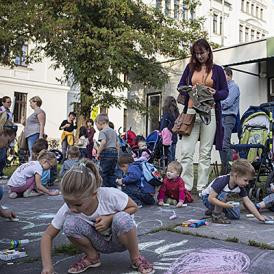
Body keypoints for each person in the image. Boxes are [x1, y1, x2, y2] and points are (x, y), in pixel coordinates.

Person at [40, 159, 154, 274]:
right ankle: (92, 257)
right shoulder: (69, 207)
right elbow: (48, 235)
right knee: (69, 224)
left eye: (78, 204)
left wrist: (110, 218)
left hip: (121, 239)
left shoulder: (110, 195)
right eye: (67, 202)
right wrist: (47, 267)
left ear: (93, 194)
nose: (72, 208)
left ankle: (136, 257)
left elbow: (133, 207)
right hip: (98, 242)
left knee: (122, 218)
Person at [177, 38, 229, 193]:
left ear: (208, 52)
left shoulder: (218, 70)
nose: (199, 56)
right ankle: (186, 187)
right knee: (186, 151)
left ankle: (201, 188)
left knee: (205, 152)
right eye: (196, 53)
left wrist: (215, 93)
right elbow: (180, 85)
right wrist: (185, 89)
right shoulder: (190, 68)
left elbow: (225, 92)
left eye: (202, 53)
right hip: (191, 112)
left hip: (210, 112)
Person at [201, 159, 267, 224]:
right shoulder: (222, 181)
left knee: (235, 216)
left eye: (248, 181)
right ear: (236, 176)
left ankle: (213, 210)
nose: (247, 183)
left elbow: (248, 202)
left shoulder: (240, 185)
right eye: (245, 180)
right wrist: (225, 205)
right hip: (207, 198)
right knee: (223, 194)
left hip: (220, 200)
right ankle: (216, 216)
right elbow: (211, 199)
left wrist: (259, 217)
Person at [219, 67, 240, 175]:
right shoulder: (224, 88)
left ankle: (228, 170)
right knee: (220, 143)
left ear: (229, 75)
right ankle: (226, 168)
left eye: (223, 76)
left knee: (225, 143)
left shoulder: (234, 87)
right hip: (221, 116)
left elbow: (228, 102)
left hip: (228, 117)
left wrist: (216, 103)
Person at [95, 113, 119, 187]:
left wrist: (98, 153)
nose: (96, 127)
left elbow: (103, 142)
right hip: (114, 153)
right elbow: (117, 144)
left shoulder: (102, 131)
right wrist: (117, 153)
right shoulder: (113, 131)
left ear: (101, 123)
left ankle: (105, 189)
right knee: (112, 173)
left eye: (96, 125)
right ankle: (113, 188)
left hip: (107, 153)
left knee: (103, 173)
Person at [160, 96, 179, 165]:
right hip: (174, 137)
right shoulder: (177, 113)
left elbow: (163, 126)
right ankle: (173, 170)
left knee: (167, 156)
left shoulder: (166, 113)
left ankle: (168, 170)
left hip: (167, 139)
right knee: (172, 156)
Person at [0, 96, 13, 179]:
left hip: (7, 135)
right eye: (8, 102)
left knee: (3, 155)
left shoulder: (9, 112)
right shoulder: (1, 110)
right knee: (1, 154)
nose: (9, 103)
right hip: (1, 134)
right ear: (3, 102)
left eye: (10, 102)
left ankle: (0, 172)